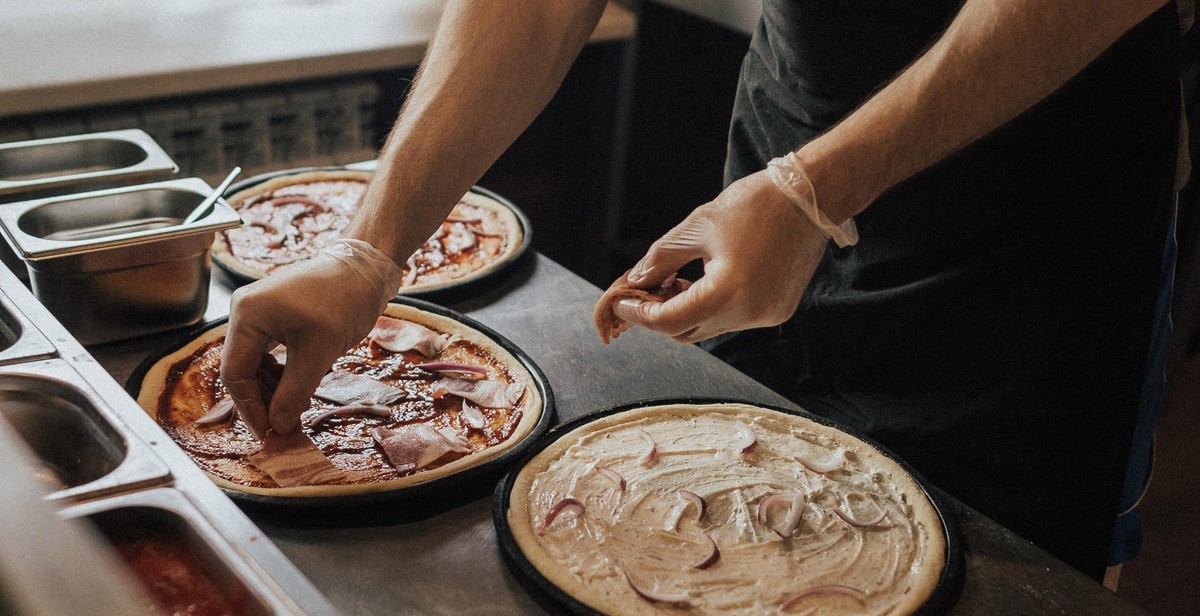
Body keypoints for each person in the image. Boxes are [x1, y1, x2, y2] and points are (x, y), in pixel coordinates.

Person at [220, 0, 1185, 581]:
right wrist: (371, 250)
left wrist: (819, 191)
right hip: (788, 151)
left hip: (1037, 222)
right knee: (719, 535)